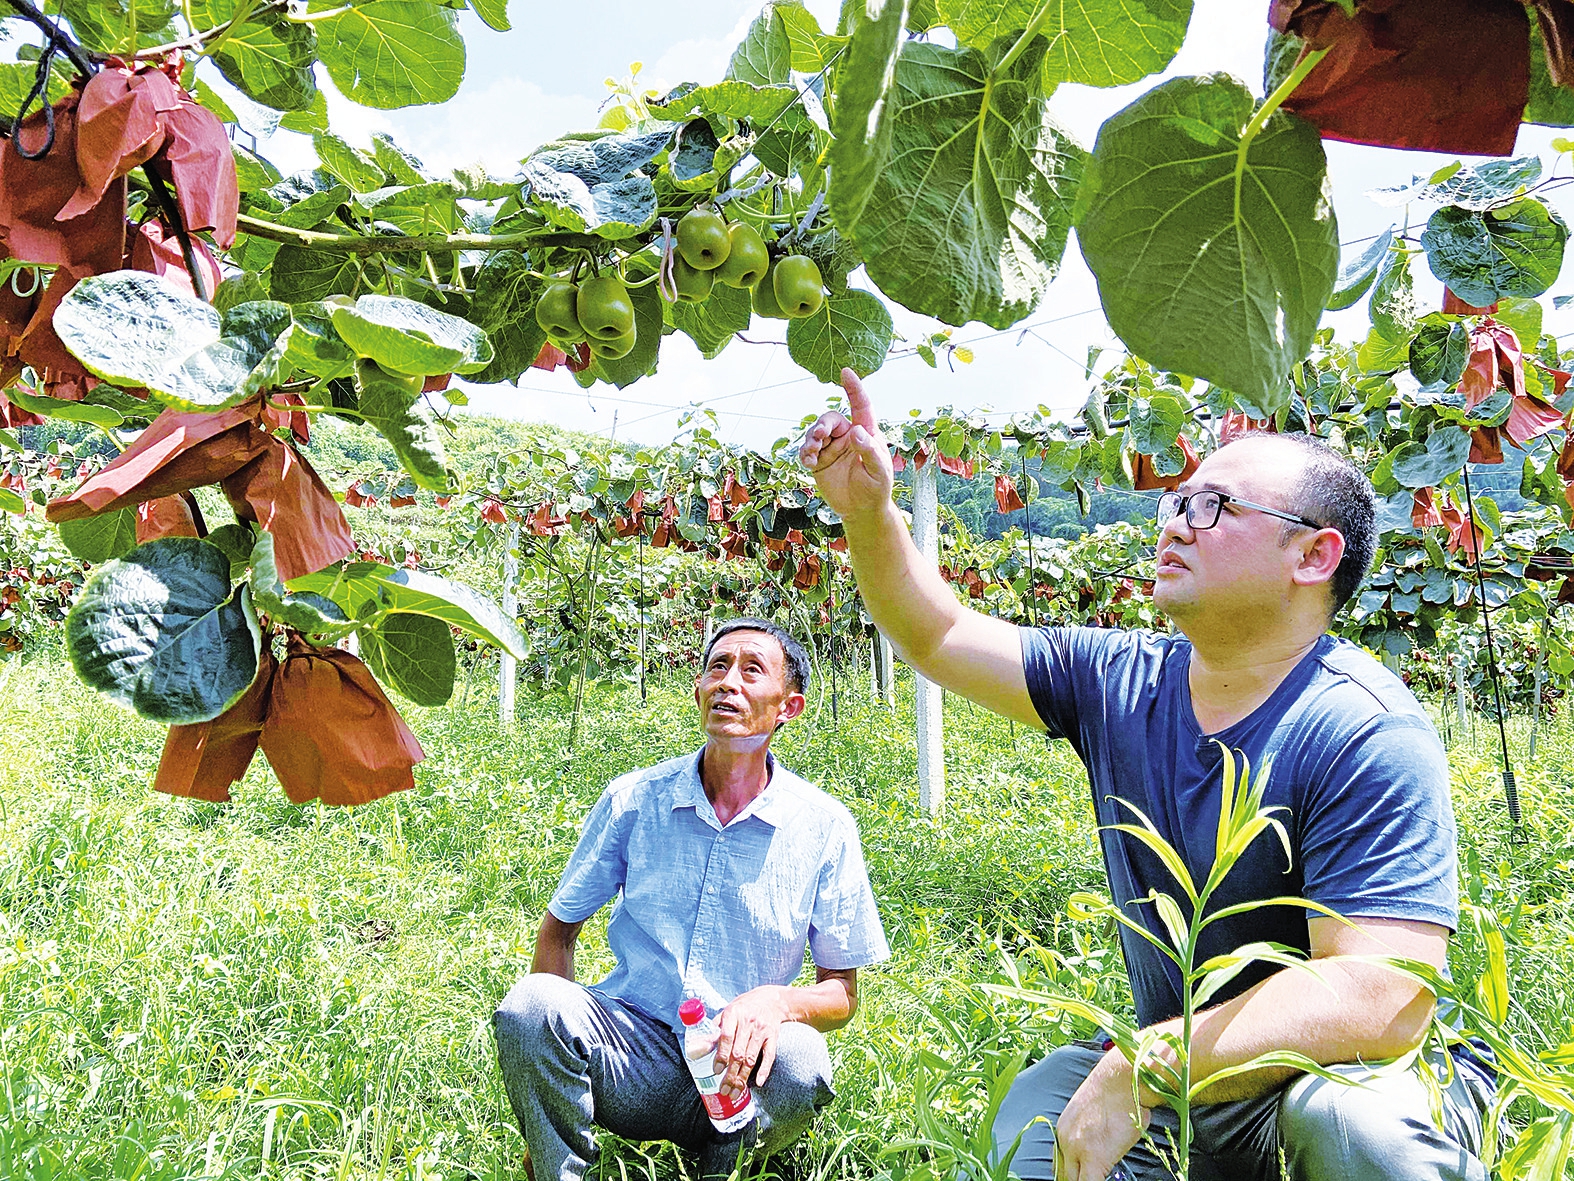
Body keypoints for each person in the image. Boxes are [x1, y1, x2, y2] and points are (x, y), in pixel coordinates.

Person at [799, 370, 1493, 1181]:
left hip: (1335, 1071)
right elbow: (940, 635)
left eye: (1214, 507)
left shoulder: (1364, 729)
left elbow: (1381, 997)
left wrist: (1146, 1061)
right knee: (1035, 1114)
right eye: (1176, 502)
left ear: (1313, 554)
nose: (1174, 525)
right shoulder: (1120, 680)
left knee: (1350, 1124)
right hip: (1192, 1071)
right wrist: (869, 514)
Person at [492, 617, 889, 1181]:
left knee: (802, 1060)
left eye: (753, 671)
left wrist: (774, 1004)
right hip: (634, 1055)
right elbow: (559, 929)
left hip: (740, 1070)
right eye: (718, 667)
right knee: (533, 1005)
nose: (730, 682)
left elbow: (840, 995)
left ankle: (724, 1168)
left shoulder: (824, 827)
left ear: (788, 708)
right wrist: (546, 1113)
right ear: (698, 691)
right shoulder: (635, 800)